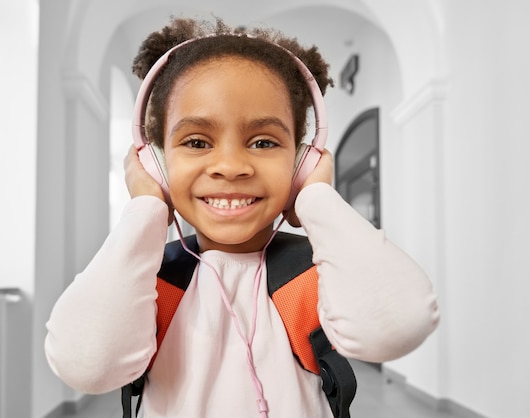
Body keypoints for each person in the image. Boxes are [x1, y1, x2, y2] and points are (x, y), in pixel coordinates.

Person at [44, 17, 440, 418]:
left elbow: (401, 323)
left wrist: (316, 197)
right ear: (157, 165)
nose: (231, 166)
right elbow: (84, 364)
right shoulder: (151, 282)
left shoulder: (314, 274)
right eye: (197, 141)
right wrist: (147, 208)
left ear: (300, 163)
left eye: (264, 141)